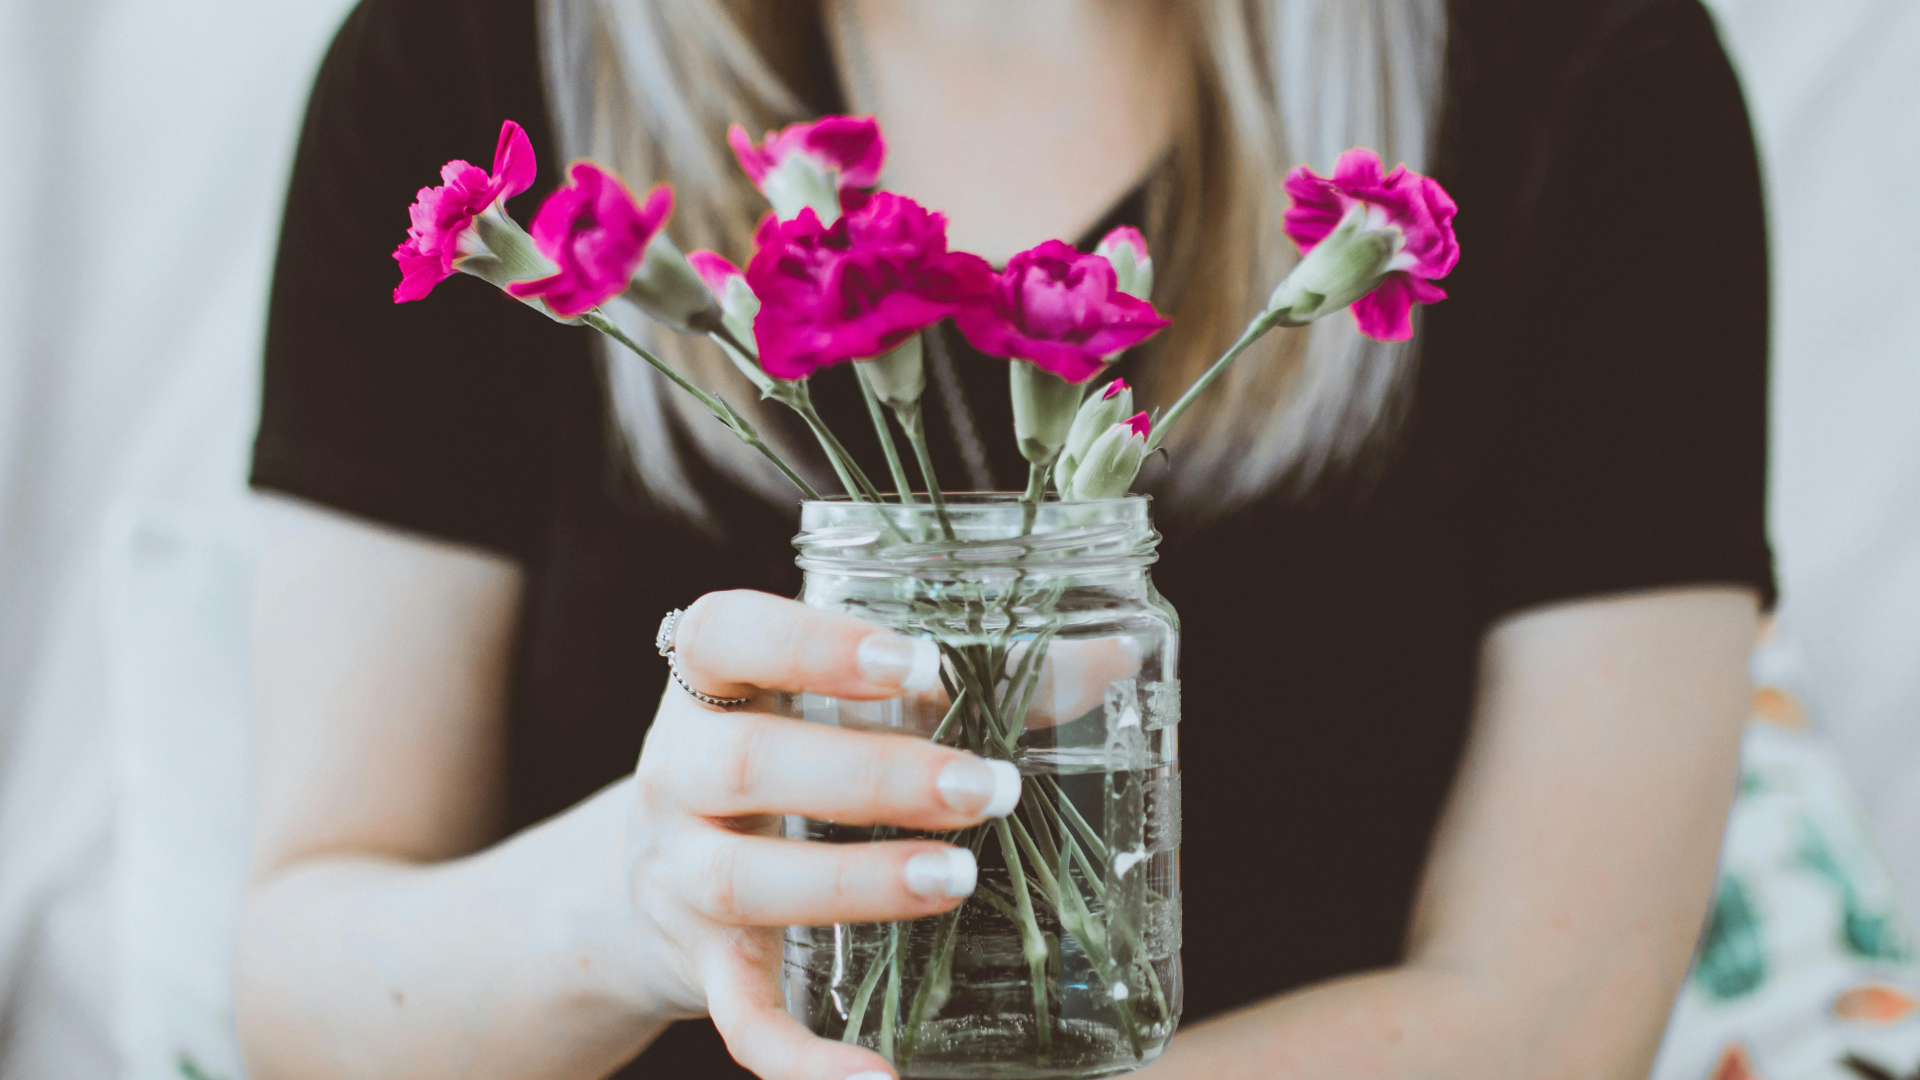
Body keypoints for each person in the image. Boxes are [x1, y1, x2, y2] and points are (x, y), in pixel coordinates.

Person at [237, 1, 1773, 1077]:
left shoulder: (1587, 77)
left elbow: (1557, 1016)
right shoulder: (452, 48)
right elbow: (301, 1001)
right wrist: (625, 902)